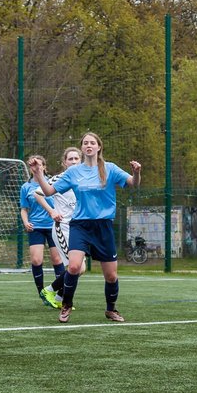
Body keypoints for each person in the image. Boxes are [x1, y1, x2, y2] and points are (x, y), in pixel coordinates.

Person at [31, 132, 141, 323]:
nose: (89, 145)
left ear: (99, 147)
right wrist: (39, 174)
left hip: (103, 226)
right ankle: (65, 305)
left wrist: (137, 172)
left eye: (92, 143)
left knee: (111, 275)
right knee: (74, 267)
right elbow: (48, 191)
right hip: (80, 225)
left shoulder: (110, 168)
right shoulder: (73, 172)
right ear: (82, 148)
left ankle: (111, 309)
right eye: (85, 143)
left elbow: (133, 183)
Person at [37, 146, 81, 308]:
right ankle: (49, 291)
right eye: (70, 159)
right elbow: (37, 193)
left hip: (79, 228)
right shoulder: (60, 178)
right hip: (63, 228)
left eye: (77, 158)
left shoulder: (84, 179)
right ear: (64, 163)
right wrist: (51, 211)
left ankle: (59, 298)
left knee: (77, 268)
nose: (74, 161)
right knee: (79, 267)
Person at [20, 154, 66, 307]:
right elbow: (24, 209)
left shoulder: (53, 183)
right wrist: (26, 222)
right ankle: (42, 293)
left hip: (54, 225)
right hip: (36, 227)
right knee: (36, 260)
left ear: (45, 167)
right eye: (34, 165)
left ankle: (59, 294)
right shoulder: (26, 187)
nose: (37, 167)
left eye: (40, 164)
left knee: (57, 260)